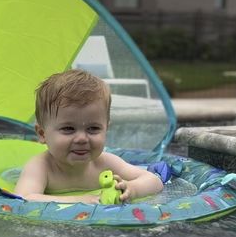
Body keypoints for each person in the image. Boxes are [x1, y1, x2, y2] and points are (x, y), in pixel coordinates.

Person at [14, 69, 164, 204]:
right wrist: (79, 200)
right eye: (68, 129)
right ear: (42, 134)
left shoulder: (106, 163)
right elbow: (24, 198)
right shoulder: (42, 167)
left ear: (106, 129)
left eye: (93, 129)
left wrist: (132, 189)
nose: (82, 139)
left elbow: (154, 180)